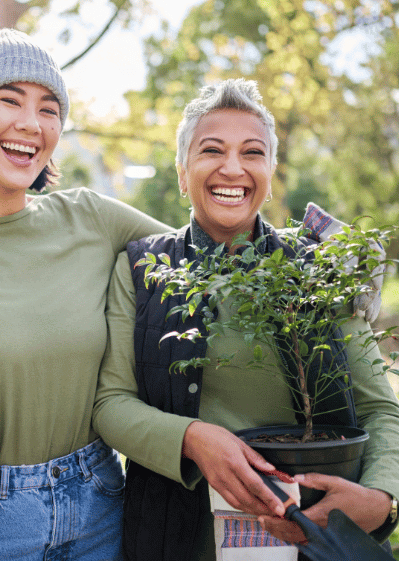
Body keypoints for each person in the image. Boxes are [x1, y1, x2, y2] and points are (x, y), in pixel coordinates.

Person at [0, 34, 384, 560]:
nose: (30, 123)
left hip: (100, 504)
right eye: (10, 101)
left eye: (49, 109)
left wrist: (329, 258)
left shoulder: (91, 216)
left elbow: (214, 235)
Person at [92, 78, 399, 561]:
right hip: (175, 534)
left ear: (271, 172)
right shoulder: (141, 270)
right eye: (211, 150)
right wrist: (191, 439)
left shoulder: (321, 268)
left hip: (311, 533)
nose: (232, 168)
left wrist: (380, 497)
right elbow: (110, 402)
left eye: (252, 153)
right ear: (181, 172)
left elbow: (381, 407)